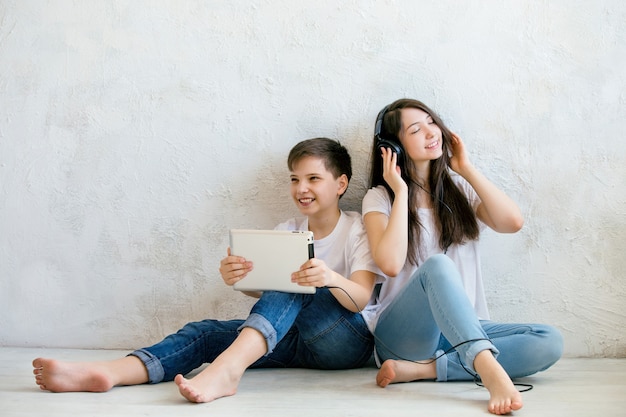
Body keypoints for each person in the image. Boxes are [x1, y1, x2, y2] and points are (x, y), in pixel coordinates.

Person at [33, 137, 380, 403]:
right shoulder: (287, 228)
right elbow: (274, 297)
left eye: (313, 178)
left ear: (340, 184)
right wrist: (243, 280)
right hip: (292, 341)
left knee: (299, 281)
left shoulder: (357, 229)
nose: (301, 188)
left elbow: (361, 299)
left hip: (346, 343)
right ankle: (108, 373)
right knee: (205, 332)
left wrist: (329, 278)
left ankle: (227, 371)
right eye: (294, 179)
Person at [360, 98, 563, 415]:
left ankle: (425, 370)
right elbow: (389, 263)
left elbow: (512, 222)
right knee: (438, 266)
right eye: (416, 129)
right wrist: (400, 192)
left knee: (549, 340)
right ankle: (488, 369)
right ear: (393, 147)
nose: (431, 132)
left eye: (431, 122)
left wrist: (466, 169)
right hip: (403, 337)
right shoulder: (380, 198)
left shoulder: (460, 192)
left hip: (460, 333)